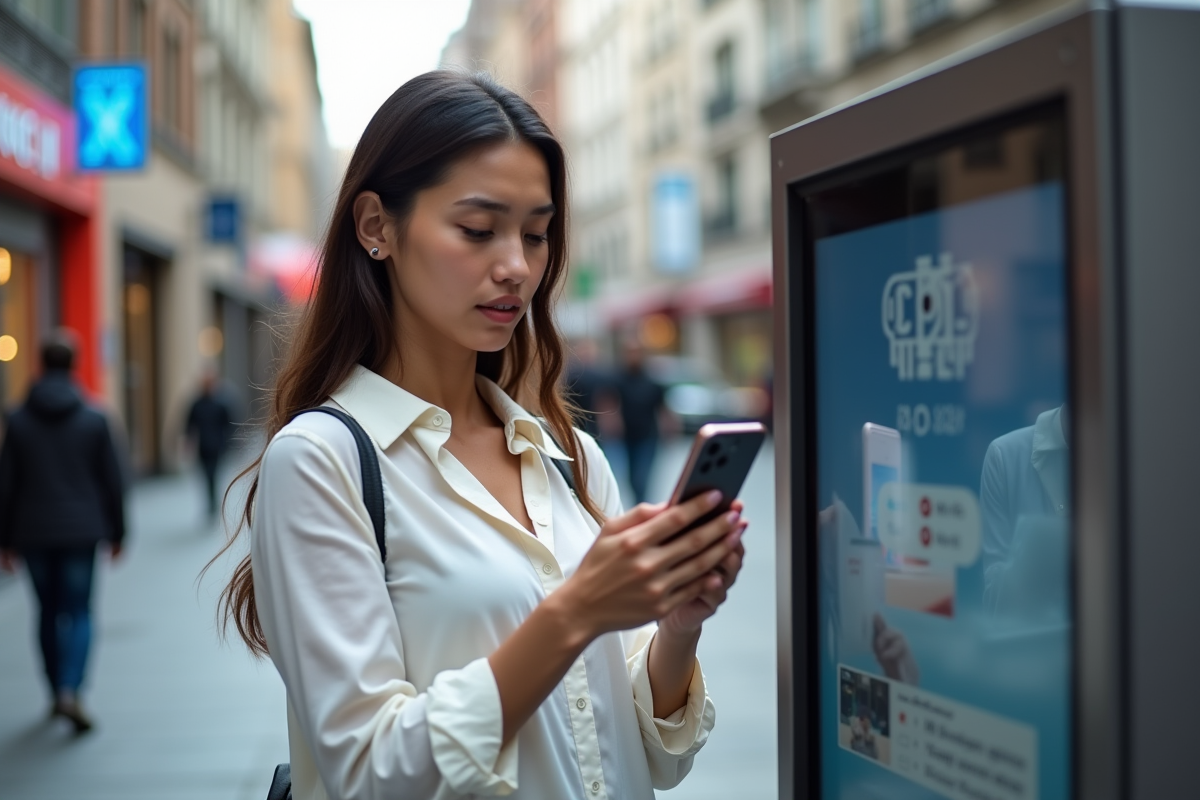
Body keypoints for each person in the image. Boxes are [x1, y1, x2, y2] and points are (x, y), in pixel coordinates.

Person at [211, 71, 747, 800]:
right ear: (376, 227)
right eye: (477, 229)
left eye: (535, 233)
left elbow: (646, 758)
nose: (517, 268)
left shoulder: (569, 460)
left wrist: (679, 625)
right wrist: (577, 610)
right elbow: (366, 772)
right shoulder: (321, 461)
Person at [0, 332, 126, 734]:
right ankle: (72, 690)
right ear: (74, 364)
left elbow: (6, 484)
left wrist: (4, 540)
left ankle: (56, 690)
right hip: (81, 531)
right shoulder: (94, 417)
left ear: (40, 363)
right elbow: (113, 481)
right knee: (79, 610)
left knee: (47, 612)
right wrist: (119, 532)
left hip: (32, 532)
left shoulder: (17, 421)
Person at [613, 340, 668, 504]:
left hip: (648, 435)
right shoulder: (618, 379)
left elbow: (662, 408)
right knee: (631, 477)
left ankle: (642, 505)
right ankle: (640, 503)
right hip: (627, 436)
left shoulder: (652, 381)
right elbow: (610, 402)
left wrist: (669, 426)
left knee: (642, 476)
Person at [185, 371, 235, 518]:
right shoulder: (197, 404)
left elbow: (229, 424)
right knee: (206, 475)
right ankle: (211, 502)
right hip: (203, 446)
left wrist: (229, 442)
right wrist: (188, 442)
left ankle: (212, 502)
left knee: (213, 474)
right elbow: (189, 424)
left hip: (218, 446)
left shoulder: (221, 403)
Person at [563, 338, 610, 440]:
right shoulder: (571, 374)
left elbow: (606, 399)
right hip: (576, 419)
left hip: (595, 420)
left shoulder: (602, 375)